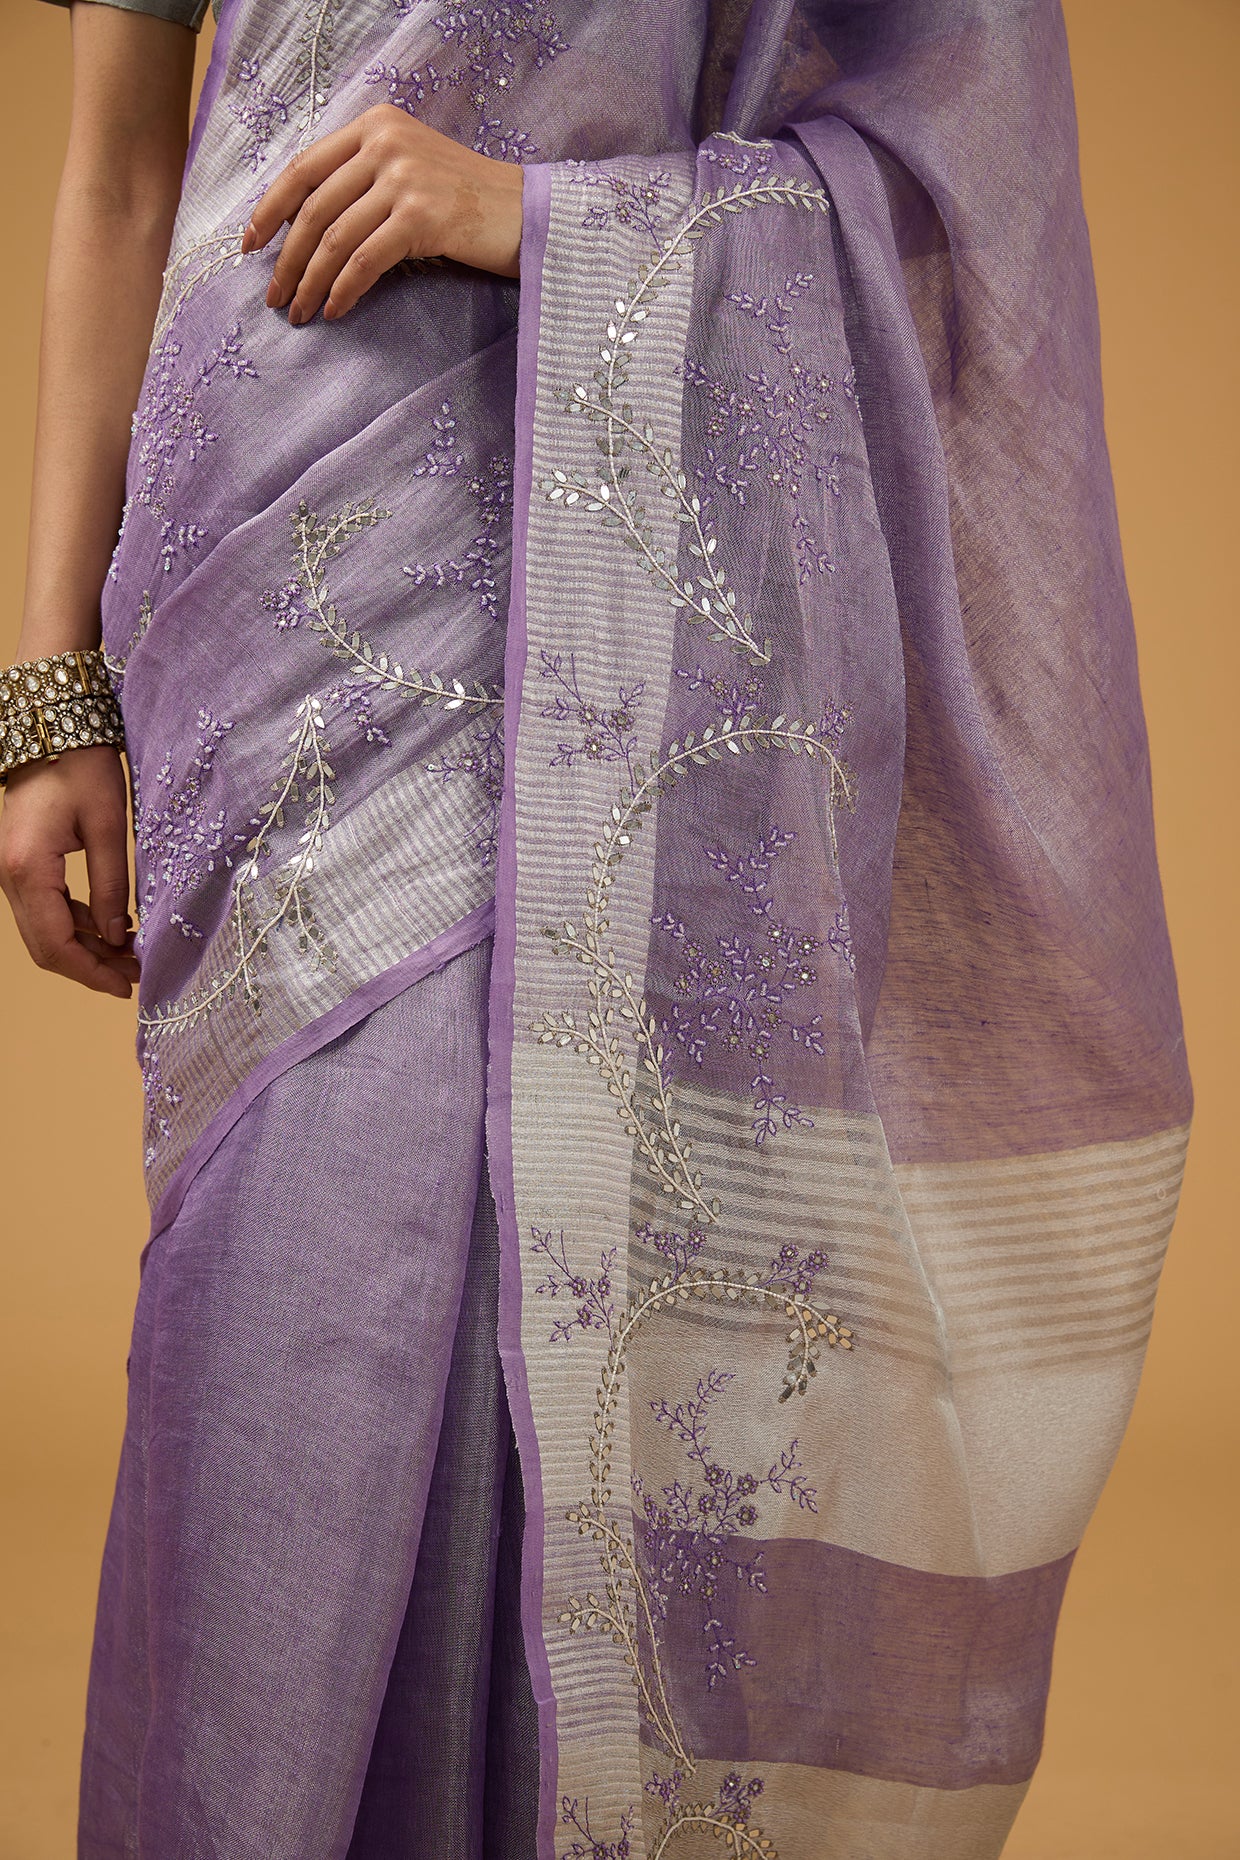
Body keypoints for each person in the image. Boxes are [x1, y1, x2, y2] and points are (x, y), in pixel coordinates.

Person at [0, 2, 1192, 1856]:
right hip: (250, 624)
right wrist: (49, 690)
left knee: (515, 1295)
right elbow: (117, 177)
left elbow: (953, 180)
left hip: (576, 566)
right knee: (273, 1343)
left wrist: (548, 218)